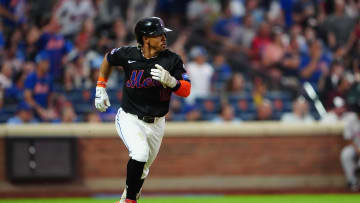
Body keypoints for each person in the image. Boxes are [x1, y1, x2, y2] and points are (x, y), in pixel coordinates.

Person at [94, 17, 191, 203]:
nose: (163, 37)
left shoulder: (172, 60)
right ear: (145, 38)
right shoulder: (128, 54)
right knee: (139, 153)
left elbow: (186, 90)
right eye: (158, 34)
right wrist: (100, 87)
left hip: (157, 123)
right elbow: (108, 59)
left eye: (164, 34)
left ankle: (127, 199)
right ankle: (130, 200)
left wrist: (173, 82)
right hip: (130, 117)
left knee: (143, 169)